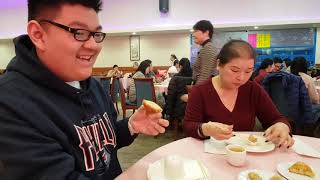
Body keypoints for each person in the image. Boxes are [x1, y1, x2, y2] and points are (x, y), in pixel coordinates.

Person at [0, 1, 169, 179]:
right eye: (78, 33)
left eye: (96, 34)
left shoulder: (92, 85)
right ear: (38, 35)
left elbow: (101, 145)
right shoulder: (10, 103)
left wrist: (130, 126)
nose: (94, 46)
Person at [184, 40, 294, 148]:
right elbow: (189, 126)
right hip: (210, 154)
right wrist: (205, 129)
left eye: (248, 71)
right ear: (218, 64)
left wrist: (282, 126)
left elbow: (276, 118)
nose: (241, 78)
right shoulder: (200, 91)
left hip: (245, 155)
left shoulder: (253, 89)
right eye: (234, 70)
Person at [192, 20, 218, 85]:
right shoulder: (207, 47)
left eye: (196, 31)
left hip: (204, 88)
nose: (193, 34)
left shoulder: (208, 48)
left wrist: (195, 92)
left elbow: (205, 75)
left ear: (206, 32)